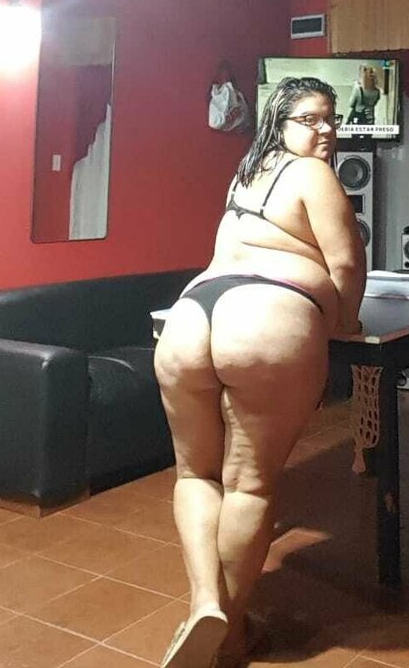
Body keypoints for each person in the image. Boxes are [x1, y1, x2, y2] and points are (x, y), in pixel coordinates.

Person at [154, 76, 366, 668]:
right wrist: (345, 323)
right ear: (279, 121)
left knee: (195, 474)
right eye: (309, 119)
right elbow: (347, 262)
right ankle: (229, 638)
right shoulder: (313, 174)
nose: (326, 130)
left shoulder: (244, 174)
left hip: (189, 319)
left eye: (331, 118)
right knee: (249, 484)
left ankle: (204, 604)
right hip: (266, 317)